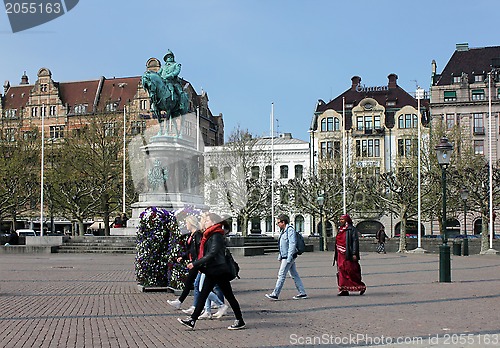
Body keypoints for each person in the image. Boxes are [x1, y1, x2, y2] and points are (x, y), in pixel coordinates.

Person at [177, 213, 245, 330]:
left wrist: (195, 264)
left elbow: (212, 253)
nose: (205, 222)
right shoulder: (210, 235)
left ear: (213, 222)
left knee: (227, 296)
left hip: (218, 270)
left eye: (207, 220)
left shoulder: (216, 235)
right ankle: (193, 320)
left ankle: (239, 320)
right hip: (213, 270)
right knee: (205, 294)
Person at [265, 214, 307, 301]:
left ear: (283, 222)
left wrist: (289, 257)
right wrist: (280, 255)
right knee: (294, 274)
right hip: (285, 255)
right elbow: (282, 245)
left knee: (281, 274)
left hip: (289, 256)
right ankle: (302, 292)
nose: (277, 225)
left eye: (278, 223)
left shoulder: (290, 230)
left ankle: (275, 294)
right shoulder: (283, 231)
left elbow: (292, 244)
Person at [333, 214, 366, 296]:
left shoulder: (352, 230)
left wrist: (354, 253)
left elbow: (355, 242)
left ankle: (360, 286)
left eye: (342, 219)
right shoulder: (340, 230)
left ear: (347, 220)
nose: (340, 221)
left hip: (348, 254)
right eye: (340, 219)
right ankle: (344, 289)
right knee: (341, 271)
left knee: (350, 271)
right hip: (340, 254)